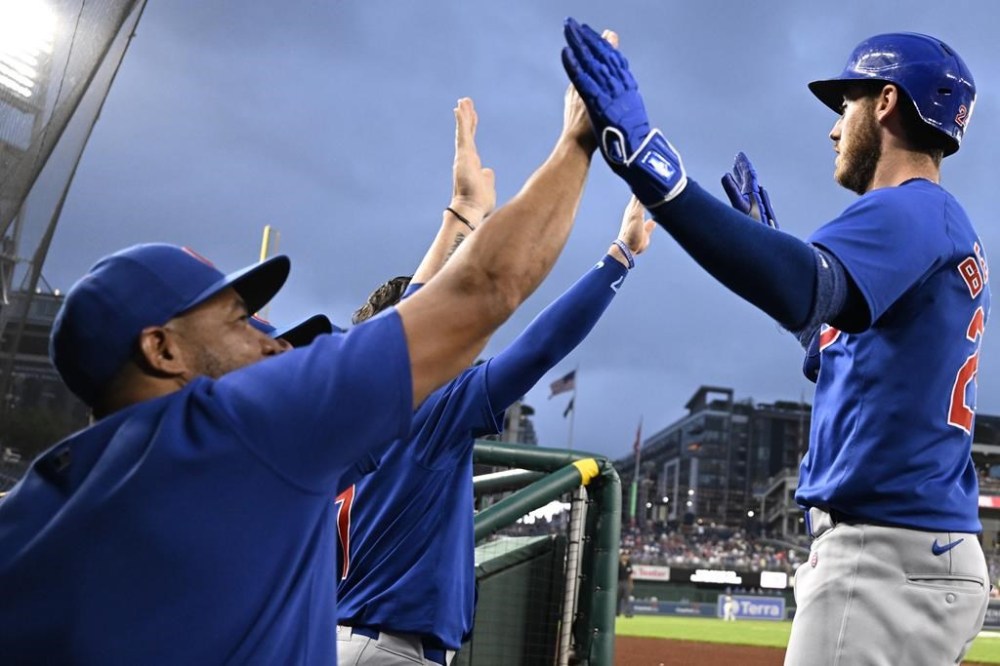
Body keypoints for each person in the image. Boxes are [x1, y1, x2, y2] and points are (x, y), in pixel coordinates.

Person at [0, 76, 600, 662]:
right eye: (237, 322)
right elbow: (484, 290)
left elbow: (390, 346)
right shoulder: (244, 432)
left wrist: (460, 219)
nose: (269, 345)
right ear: (162, 350)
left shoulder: (32, 522)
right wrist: (578, 141)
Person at [561, 21, 989, 665]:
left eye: (846, 103)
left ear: (886, 101)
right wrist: (806, 314)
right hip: (913, 552)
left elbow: (801, 285)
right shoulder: (934, 222)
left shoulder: (912, 209)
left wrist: (656, 170)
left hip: (885, 556)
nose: (834, 127)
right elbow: (843, 344)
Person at [336, 89, 653, 665]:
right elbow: (537, 348)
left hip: (349, 638)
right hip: (385, 649)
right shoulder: (426, 407)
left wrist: (463, 214)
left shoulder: (343, 409)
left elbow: (415, 322)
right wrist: (621, 256)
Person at [617, 550, 635, 618]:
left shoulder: (629, 563)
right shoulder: (617, 563)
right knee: (617, 598)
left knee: (626, 598)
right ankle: (616, 613)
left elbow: (630, 575)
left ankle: (627, 613)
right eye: (625, 555)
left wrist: (631, 583)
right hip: (619, 582)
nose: (626, 556)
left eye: (627, 555)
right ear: (621, 556)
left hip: (626, 582)